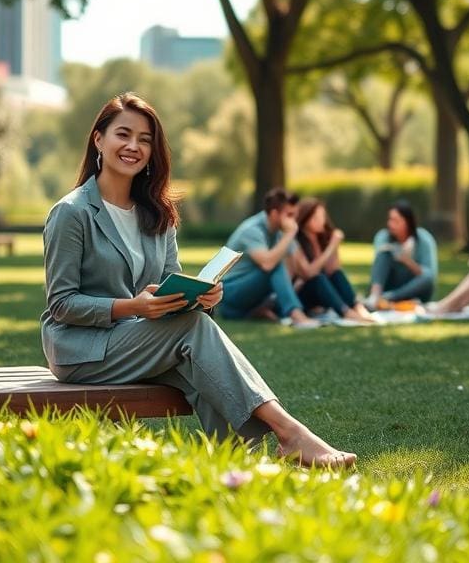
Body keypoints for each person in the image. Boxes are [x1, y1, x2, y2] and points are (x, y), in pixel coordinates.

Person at [42, 92, 354, 468]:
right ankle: (291, 434)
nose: (133, 146)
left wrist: (202, 295)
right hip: (82, 351)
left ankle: (239, 467)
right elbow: (61, 305)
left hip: (141, 339)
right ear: (99, 139)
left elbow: (169, 282)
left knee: (201, 365)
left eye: (145, 140)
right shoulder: (71, 213)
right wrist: (134, 306)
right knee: (192, 332)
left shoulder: (156, 214)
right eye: (123, 134)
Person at [219, 188, 318, 327]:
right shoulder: (252, 230)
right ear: (274, 213)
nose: (293, 221)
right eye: (289, 215)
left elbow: (303, 270)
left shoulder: (279, 232)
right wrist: (290, 234)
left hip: (251, 295)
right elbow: (268, 265)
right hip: (229, 294)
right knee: (274, 264)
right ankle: (297, 316)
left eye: (295, 215)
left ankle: (344, 309)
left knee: (296, 273)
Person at [292, 198, 375, 323]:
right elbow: (309, 273)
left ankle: (358, 307)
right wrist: (331, 247)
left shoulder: (323, 238)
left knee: (337, 274)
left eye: (323, 216)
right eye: (317, 217)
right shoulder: (295, 242)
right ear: (306, 219)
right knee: (318, 279)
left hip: (322, 295)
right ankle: (346, 312)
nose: (322, 221)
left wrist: (334, 246)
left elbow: (334, 270)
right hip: (302, 295)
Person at [365, 200, 438, 309]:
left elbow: (429, 275)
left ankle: (388, 298)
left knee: (427, 278)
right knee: (383, 254)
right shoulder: (382, 237)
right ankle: (374, 297)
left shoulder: (424, 239)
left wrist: (408, 261)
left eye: (396, 221)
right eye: (389, 219)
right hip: (390, 284)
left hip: (413, 288)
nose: (390, 224)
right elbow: (378, 269)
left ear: (408, 222)